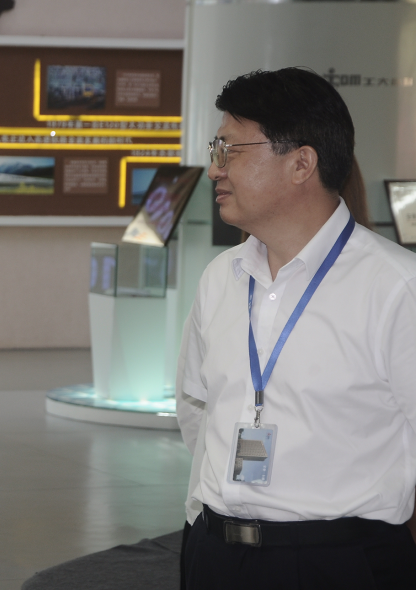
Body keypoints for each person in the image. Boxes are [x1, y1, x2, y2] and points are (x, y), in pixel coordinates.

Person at [176, 67, 416, 588]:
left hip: (338, 563)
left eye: (230, 150)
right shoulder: (221, 277)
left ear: (301, 163)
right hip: (214, 555)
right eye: (216, 150)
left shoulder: (397, 287)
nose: (214, 169)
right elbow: (196, 408)